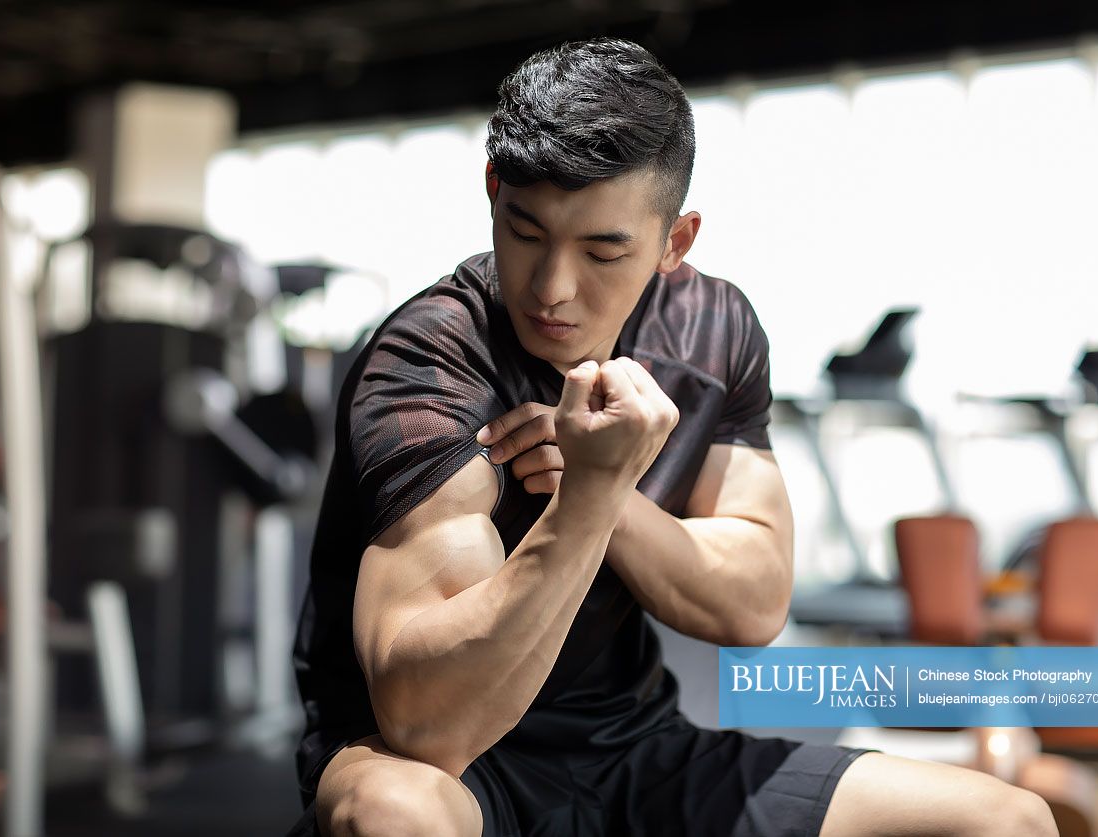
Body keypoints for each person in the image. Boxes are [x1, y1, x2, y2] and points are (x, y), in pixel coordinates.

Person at [287, 37, 1057, 837]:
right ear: (492, 192)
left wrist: (611, 496)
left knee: (1006, 819)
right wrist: (583, 499)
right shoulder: (431, 360)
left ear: (675, 242)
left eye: (602, 250)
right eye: (525, 232)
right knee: (393, 811)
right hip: (452, 772)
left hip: (631, 749)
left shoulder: (712, 328)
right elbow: (429, 723)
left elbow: (753, 603)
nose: (551, 288)